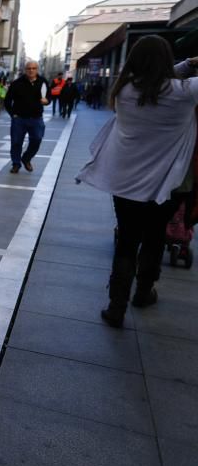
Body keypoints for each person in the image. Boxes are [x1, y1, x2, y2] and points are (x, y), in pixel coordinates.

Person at [76, 38, 198, 328]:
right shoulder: (184, 93)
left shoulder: (124, 92)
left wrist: (184, 65)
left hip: (126, 181)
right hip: (166, 184)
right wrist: (192, 63)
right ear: (167, 62)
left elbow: (153, 80)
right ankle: (144, 292)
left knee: (127, 241)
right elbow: (170, 81)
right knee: (155, 236)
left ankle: (116, 306)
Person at [4, 60, 48, 174]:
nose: (31, 70)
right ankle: (16, 164)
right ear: (25, 70)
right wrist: (13, 114)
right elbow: (7, 100)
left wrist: (46, 101)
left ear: (37, 69)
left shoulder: (43, 82)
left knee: (37, 139)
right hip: (19, 119)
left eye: (33, 68)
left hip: (36, 118)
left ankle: (26, 158)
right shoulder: (17, 83)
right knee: (16, 142)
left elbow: (49, 97)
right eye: (29, 68)